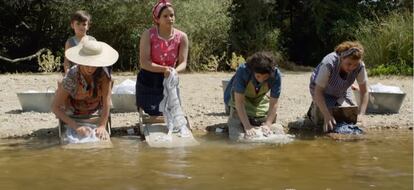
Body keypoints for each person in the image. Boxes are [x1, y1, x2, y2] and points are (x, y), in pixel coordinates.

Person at [52, 39, 119, 140]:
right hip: (74, 109)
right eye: (87, 64)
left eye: (94, 65)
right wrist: (76, 126)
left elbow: (106, 101)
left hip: (96, 107)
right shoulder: (72, 76)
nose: (90, 69)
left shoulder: (104, 75)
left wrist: (102, 125)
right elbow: (55, 107)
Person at [136, 0, 189, 116]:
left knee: (172, 112)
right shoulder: (148, 35)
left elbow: (183, 63)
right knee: (152, 112)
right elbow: (144, 63)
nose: (170, 18)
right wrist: (164, 69)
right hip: (149, 79)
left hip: (170, 77)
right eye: (165, 16)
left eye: (172, 15)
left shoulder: (182, 37)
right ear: (157, 19)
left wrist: (173, 71)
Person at [308, 41, 369, 132]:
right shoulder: (329, 63)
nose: (352, 68)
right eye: (348, 64)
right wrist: (327, 114)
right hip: (320, 89)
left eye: (355, 65)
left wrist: (361, 114)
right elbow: (318, 91)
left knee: (349, 114)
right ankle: (314, 109)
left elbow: (364, 91)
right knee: (326, 119)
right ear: (341, 58)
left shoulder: (360, 66)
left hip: (342, 89)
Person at [224, 52, 282, 140]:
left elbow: (274, 103)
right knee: (237, 118)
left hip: (259, 98)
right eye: (258, 76)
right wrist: (247, 126)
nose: (261, 80)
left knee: (266, 117)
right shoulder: (243, 70)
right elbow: (239, 102)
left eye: (265, 77)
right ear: (252, 70)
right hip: (240, 98)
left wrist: (268, 124)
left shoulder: (276, 74)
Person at [63, 10, 96, 74]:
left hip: (90, 72)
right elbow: (66, 61)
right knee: (60, 82)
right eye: (78, 24)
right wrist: (67, 72)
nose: (81, 27)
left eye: (84, 24)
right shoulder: (70, 42)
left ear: (88, 26)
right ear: (72, 25)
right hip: (75, 73)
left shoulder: (92, 40)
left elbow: (96, 59)